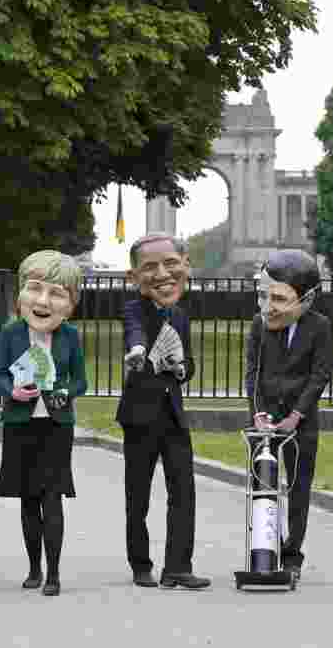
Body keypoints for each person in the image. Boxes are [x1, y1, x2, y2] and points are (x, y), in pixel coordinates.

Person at [116, 233, 210, 590]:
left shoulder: (181, 315)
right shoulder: (133, 308)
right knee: (137, 495)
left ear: (185, 265)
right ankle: (141, 565)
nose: (162, 274)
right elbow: (135, 333)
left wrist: (182, 367)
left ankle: (178, 567)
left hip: (173, 416)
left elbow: (189, 363)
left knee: (184, 491)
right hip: (139, 417)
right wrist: (138, 351)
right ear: (134, 277)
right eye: (150, 267)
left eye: (171, 264)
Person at [0, 250, 87, 597]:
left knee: (52, 499)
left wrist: (64, 390)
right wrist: (11, 392)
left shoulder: (70, 336)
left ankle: (54, 574)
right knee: (28, 500)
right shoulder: (11, 333)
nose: (44, 301)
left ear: (70, 303)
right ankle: (33, 569)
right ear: (21, 295)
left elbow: (82, 381)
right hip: (20, 425)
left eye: (57, 293)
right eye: (35, 288)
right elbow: (0, 373)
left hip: (56, 427)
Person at [244, 249, 332, 582]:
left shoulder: (320, 327)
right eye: (263, 295)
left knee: (298, 490)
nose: (268, 306)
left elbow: (319, 375)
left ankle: (292, 555)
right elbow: (252, 373)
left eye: (278, 298)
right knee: (262, 488)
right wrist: (257, 414)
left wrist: (297, 415)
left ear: (306, 299)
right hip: (264, 421)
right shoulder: (259, 324)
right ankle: (263, 552)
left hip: (301, 422)